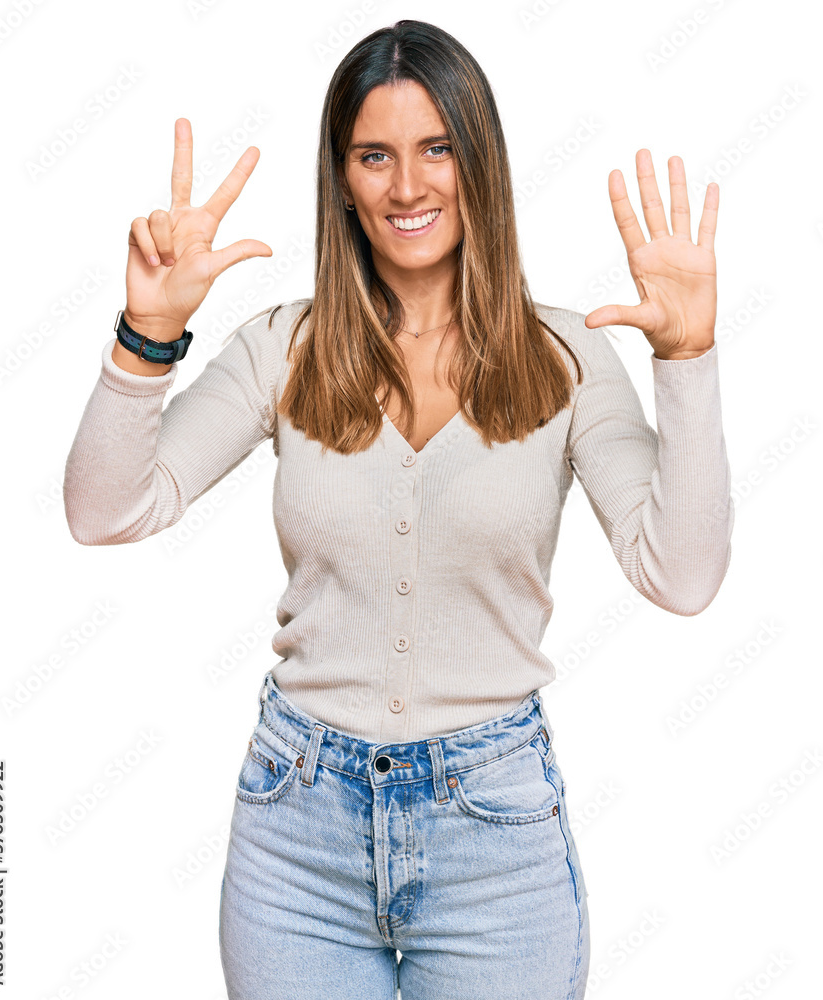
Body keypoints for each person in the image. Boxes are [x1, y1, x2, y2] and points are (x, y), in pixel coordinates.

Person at [63, 19, 733, 1000]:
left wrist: (688, 358)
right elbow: (104, 509)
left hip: (493, 836)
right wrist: (147, 335)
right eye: (375, 155)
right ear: (342, 178)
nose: (408, 186)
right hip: (298, 831)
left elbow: (682, 576)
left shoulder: (569, 357)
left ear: (482, 165)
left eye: (437, 150)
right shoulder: (283, 348)